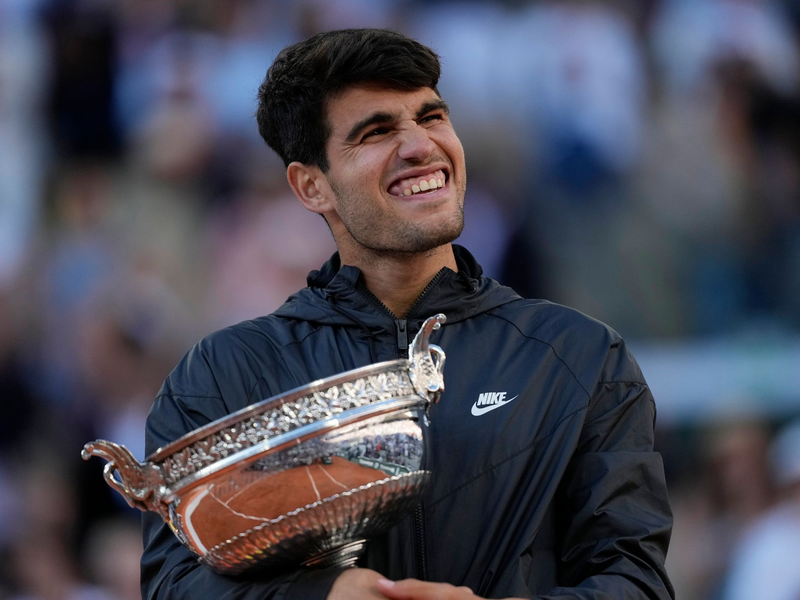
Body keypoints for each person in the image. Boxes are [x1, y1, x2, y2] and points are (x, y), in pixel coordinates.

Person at [141, 29, 674, 600]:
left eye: (431, 117)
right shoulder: (223, 375)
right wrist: (323, 597)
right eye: (377, 131)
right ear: (312, 186)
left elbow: (635, 581)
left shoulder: (580, 357)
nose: (421, 146)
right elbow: (175, 585)